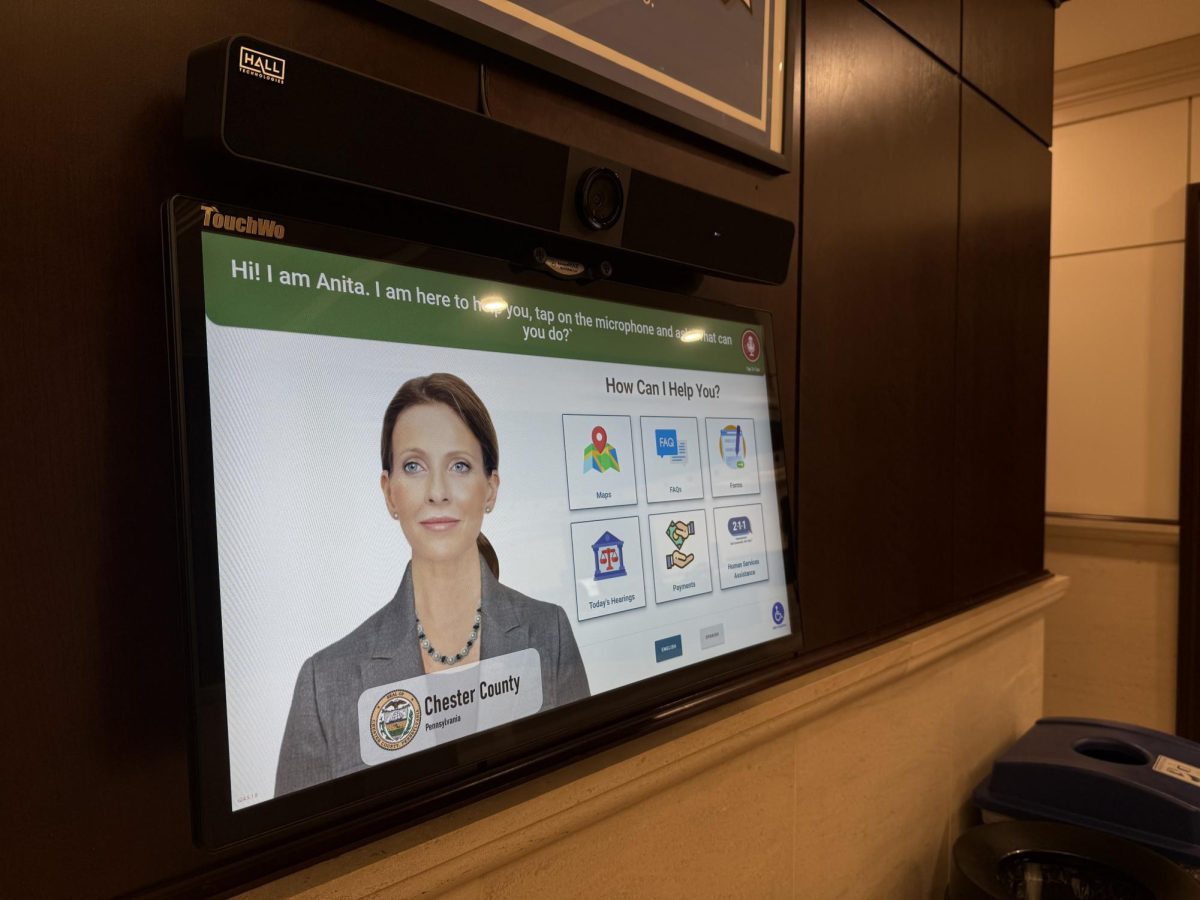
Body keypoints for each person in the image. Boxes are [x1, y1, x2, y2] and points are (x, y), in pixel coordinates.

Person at [275, 373, 590, 797]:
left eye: (459, 466)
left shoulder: (549, 632)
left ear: (491, 488)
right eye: (413, 466)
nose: (438, 492)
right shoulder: (323, 682)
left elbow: (581, 788)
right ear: (389, 493)